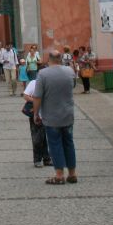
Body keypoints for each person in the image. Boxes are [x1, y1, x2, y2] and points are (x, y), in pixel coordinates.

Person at [33, 50, 77, 185]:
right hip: (68, 114)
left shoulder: (43, 74)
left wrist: (36, 113)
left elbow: (37, 96)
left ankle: (59, 175)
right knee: (69, 143)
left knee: (55, 144)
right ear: (60, 59)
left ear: (49, 59)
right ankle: (72, 174)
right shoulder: (69, 71)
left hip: (51, 117)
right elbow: (73, 85)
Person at [21, 77, 51, 168]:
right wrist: (36, 101)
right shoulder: (34, 83)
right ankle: (37, 160)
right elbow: (25, 96)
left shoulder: (51, 83)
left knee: (45, 137)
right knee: (37, 138)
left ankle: (46, 159)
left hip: (48, 114)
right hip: (36, 113)